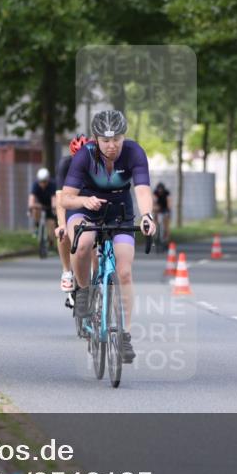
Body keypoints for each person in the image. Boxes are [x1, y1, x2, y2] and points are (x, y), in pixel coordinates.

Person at [60, 110, 154, 363]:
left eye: (117, 139)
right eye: (105, 140)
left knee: (124, 272)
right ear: (96, 139)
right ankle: (83, 291)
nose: (112, 146)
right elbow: (66, 198)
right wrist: (84, 200)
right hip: (86, 208)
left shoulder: (134, 152)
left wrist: (147, 216)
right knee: (83, 244)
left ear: (124, 137)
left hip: (120, 212)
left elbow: (143, 189)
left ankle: (124, 336)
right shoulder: (84, 156)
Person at [54, 135, 89, 295]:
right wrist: (62, 225)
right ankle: (67, 272)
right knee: (63, 233)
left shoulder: (97, 164)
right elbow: (61, 201)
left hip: (89, 203)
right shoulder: (65, 165)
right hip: (70, 202)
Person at [28, 168, 57, 239]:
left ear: (48, 180)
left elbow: (54, 199)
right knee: (35, 210)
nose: (42, 184)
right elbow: (31, 199)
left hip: (49, 207)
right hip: (40, 206)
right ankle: (37, 227)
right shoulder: (35, 185)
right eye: (41, 182)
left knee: (51, 226)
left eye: (44, 182)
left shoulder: (52, 185)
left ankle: (50, 243)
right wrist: (30, 208)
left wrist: (54, 209)